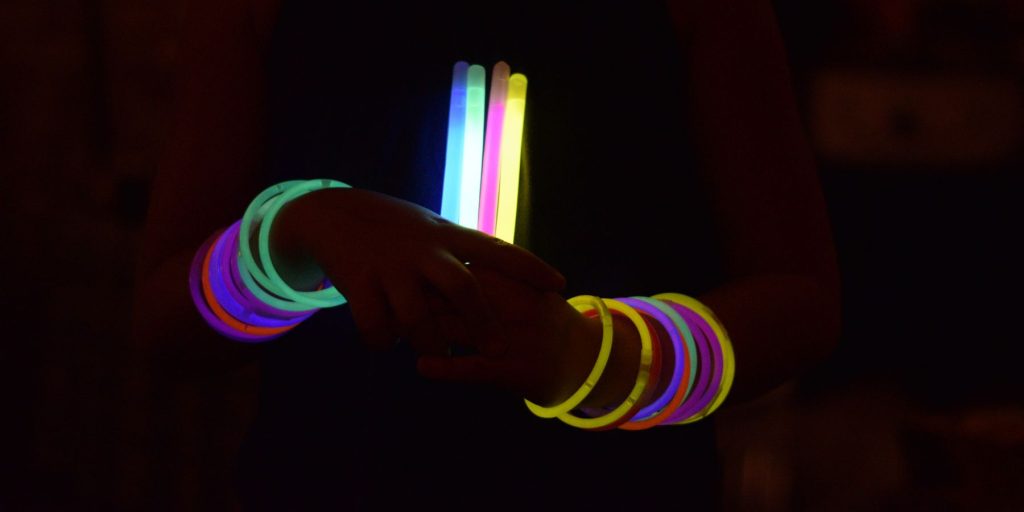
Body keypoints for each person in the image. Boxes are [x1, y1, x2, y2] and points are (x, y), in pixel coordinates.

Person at [133, 0, 840, 509]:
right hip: (326, 480)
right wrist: (291, 238)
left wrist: (593, 357)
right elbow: (164, 323)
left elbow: (800, 300)